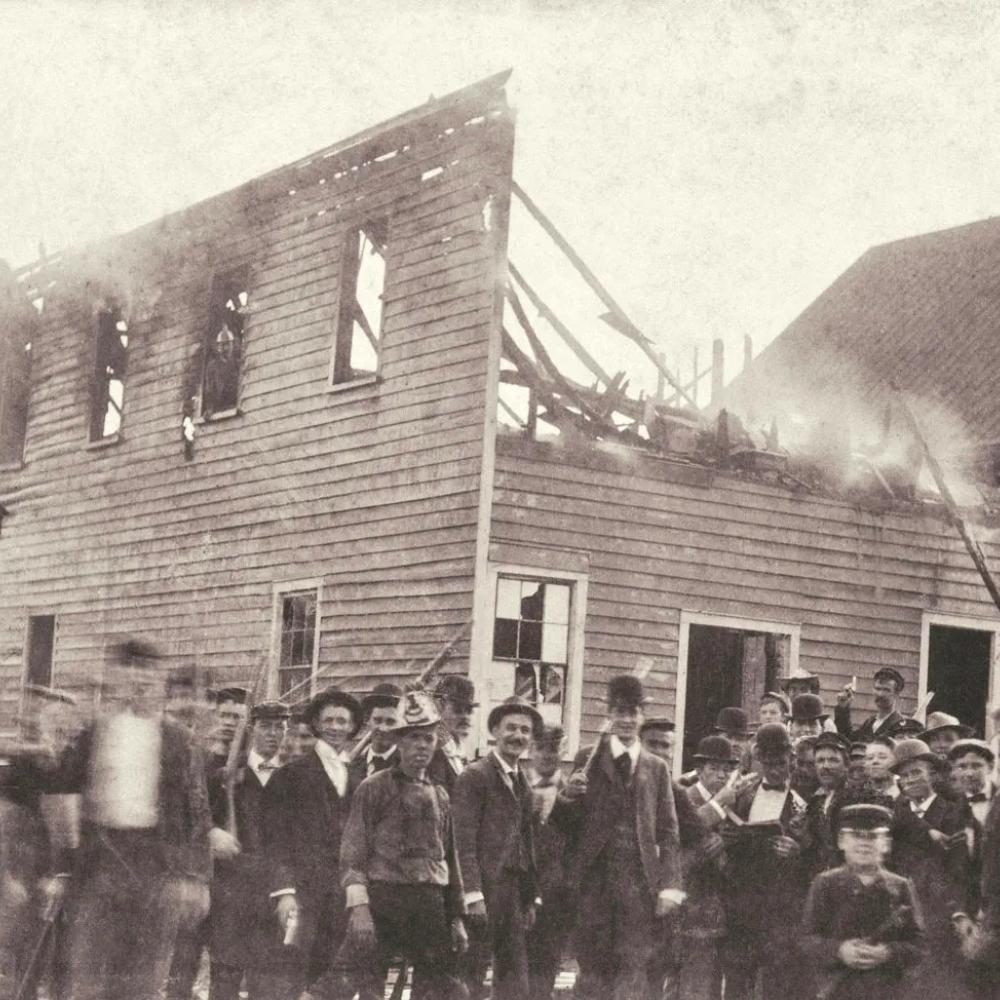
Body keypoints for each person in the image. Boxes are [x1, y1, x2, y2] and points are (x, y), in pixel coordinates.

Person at [58, 638, 212, 1000]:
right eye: (129, 671)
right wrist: (62, 868)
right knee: (88, 976)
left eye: (147, 672)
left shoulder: (179, 740)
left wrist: (195, 878)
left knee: (142, 979)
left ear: (159, 682)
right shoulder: (94, 734)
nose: (138, 681)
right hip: (100, 865)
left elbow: (197, 812)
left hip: (156, 869)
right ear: (116, 679)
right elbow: (64, 800)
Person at [551, 674, 683, 1000]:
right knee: (593, 974)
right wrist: (567, 797)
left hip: (639, 889)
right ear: (608, 714)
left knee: (634, 972)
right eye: (619, 712)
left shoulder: (657, 768)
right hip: (593, 886)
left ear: (641, 716)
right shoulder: (588, 760)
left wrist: (670, 886)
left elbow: (668, 832)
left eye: (633, 712)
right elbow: (566, 826)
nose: (626, 720)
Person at [339, 690, 468, 1000]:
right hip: (385, 900)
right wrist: (360, 909)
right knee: (364, 987)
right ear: (399, 741)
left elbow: (450, 859)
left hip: (429, 904)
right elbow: (353, 853)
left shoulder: (440, 795)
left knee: (441, 989)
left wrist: (456, 917)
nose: (421, 745)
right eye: (413, 738)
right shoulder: (374, 788)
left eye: (427, 738)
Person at [263, 687, 362, 998]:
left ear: (352, 727)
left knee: (333, 980)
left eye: (343, 721)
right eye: (328, 720)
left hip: (341, 896)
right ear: (317, 725)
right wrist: (284, 892)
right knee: (293, 974)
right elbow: (275, 840)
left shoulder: (358, 776)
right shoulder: (290, 775)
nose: (335, 727)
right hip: (302, 895)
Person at [453, 696, 542, 1000]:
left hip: (512, 892)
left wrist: (530, 897)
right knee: (470, 975)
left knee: (515, 981)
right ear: (494, 731)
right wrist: (472, 894)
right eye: (511, 728)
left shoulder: (524, 783)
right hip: (484, 891)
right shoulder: (475, 776)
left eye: (525, 731)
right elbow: (461, 841)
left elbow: (527, 844)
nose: (518, 736)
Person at [207, 700, 291, 1000]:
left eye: (280, 727)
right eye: (267, 726)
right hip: (231, 890)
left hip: (276, 893)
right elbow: (199, 819)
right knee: (225, 979)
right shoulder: (225, 775)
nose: (273, 734)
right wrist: (213, 832)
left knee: (268, 984)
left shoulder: (294, 778)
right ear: (252, 729)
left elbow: (296, 842)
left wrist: (287, 890)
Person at [720, 723, 810, 1000]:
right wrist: (731, 835)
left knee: (775, 982)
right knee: (736, 977)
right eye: (768, 764)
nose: (774, 770)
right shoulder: (744, 794)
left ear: (792, 759)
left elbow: (816, 849)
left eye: (780, 763)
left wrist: (797, 850)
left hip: (781, 907)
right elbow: (728, 841)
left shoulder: (805, 799)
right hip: (743, 902)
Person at [802, 803, 923, 1000]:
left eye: (874, 836)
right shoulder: (825, 883)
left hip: (887, 988)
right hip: (839, 988)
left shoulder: (900, 886)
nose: (864, 843)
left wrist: (888, 952)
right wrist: (840, 950)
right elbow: (807, 939)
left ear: (887, 844)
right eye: (856, 835)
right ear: (841, 841)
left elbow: (919, 944)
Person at [889, 738, 975, 998]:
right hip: (901, 913)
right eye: (904, 775)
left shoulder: (954, 813)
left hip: (939, 912)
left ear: (932, 774)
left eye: (917, 772)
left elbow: (960, 869)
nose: (910, 779)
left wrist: (958, 911)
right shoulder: (896, 813)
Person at [525, 726, 570, 1000]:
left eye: (552, 749)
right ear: (530, 750)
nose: (546, 755)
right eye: (540, 748)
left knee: (546, 968)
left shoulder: (576, 790)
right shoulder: (514, 785)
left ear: (562, 751)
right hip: (517, 892)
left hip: (557, 894)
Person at [802, 732, 851, 876]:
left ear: (846, 765)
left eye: (833, 760)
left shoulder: (855, 798)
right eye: (820, 760)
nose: (826, 766)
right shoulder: (816, 801)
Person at [427, 675, 478, 792]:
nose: (465, 717)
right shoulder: (432, 751)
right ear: (440, 707)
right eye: (458, 710)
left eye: (469, 711)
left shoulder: (458, 749)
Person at [349, 683, 403, 785]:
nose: (382, 728)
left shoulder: (406, 768)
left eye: (390, 722)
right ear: (368, 720)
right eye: (377, 720)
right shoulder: (353, 766)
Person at [834, 668, 906, 742]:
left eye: (886, 690)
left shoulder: (900, 726)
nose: (880, 694)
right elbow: (847, 741)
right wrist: (842, 708)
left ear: (897, 694)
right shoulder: (869, 723)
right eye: (878, 689)